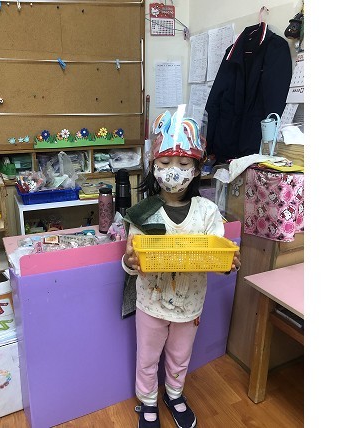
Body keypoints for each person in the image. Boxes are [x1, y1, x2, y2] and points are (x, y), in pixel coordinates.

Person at [122, 107, 241, 428]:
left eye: (184, 164)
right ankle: (148, 401)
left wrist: (227, 263)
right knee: (147, 357)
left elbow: (216, 252)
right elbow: (131, 259)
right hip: (151, 303)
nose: (173, 171)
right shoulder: (143, 212)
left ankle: (174, 394)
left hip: (190, 304)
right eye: (164, 164)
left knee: (179, 356)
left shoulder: (207, 212)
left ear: (197, 168)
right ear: (153, 166)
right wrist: (129, 262)